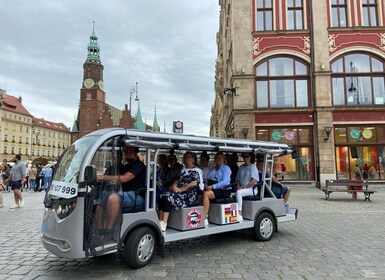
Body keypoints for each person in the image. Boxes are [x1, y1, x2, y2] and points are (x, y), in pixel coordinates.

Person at [96, 146, 146, 240]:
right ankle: (100, 230)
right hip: (125, 194)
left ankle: (109, 231)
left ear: (136, 153)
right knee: (101, 197)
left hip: (137, 195)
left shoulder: (138, 165)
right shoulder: (126, 166)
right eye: (126, 152)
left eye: (130, 151)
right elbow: (117, 177)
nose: (128, 153)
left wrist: (102, 177)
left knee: (113, 198)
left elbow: (124, 178)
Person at [158, 151, 201, 232]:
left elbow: (194, 183)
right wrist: (174, 186)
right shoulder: (183, 171)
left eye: (189, 157)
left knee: (168, 197)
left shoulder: (196, 171)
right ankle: (160, 220)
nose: (187, 159)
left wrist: (181, 189)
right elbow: (177, 180)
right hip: (179, 192)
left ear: (193, 159)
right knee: (162, 195)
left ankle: (164, 222)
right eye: (186, 157)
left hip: (188, 194)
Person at [202, 151, 231, 225]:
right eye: (217, 158)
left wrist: (212, 187)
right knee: (199, 194)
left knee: (206, 194)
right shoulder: (213, 169)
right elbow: (207, 179)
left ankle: (204, 217)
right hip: (211, 186)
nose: (219, 159)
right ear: (215, 159)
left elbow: (225, 182)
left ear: (224, 159)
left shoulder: (226, 168)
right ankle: (200, 213)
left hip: (223, 189)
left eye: (221, 158)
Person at [235, 153, 259, 221]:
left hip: (252, 189)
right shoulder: (241, 167)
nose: (245, 158)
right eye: (244, 157)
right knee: (234, 193)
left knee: (239, 193)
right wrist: (238, 187)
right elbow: (238, 180)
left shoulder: (253, 167)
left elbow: (254, 180)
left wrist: (244, 187)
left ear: (250, 157)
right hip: (242, 189)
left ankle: (240, 213)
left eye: (247, 156)